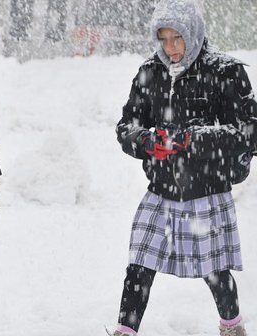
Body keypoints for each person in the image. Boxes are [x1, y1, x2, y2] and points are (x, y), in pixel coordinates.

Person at [113, 0, 257, 335]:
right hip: (161, 190)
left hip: (207, 190)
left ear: (192, 34)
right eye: (163, 39)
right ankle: (125, 330)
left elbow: (249, 132)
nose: (170, 47)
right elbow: (125, 128)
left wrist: (192, 140)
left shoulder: (225, 70)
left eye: (177, 38)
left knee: (215, 270)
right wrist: (148, 141)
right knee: (139, 264)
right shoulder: (150, 72)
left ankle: (232, 327)